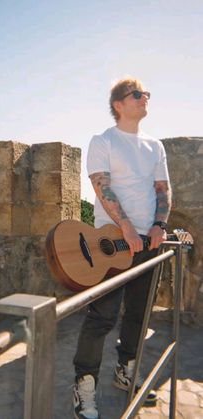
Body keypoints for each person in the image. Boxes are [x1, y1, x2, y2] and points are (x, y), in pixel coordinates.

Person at [73, 76, 172, 419]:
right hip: (114, 241)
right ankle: (84, 387)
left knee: (138, 313)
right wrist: (127, 227)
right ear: (118, 104)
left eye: (147, 93)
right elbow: (102, 187)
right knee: (102, 316)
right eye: (137, 94)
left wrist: (159, 226)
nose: (145, 98)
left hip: (150, 242)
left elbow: (163, 189)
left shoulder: (155, 146)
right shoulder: (103, 141)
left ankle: (126, 369)